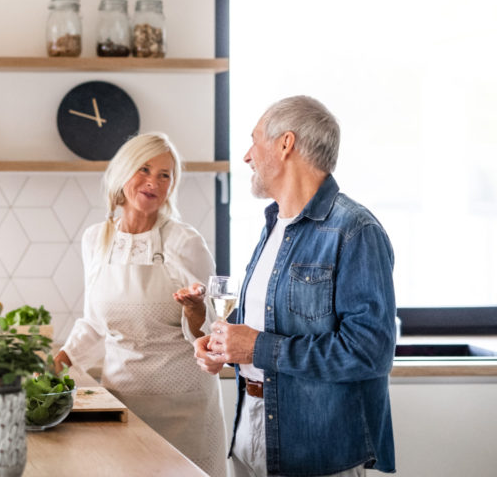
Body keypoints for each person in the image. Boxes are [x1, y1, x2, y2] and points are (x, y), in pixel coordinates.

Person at [195, 95, 396, 477]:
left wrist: (256, 346)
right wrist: (224, 346)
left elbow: (371, 353)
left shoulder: (354, 230)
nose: (247, 156)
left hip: (317, 448)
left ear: (286, 144)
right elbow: (271, 321)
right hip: (249, 434)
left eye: (254, 140)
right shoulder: (273, 225)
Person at [54, 132, 227, 477]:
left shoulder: (185, 241)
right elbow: (94, 322)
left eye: (165, 175)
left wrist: (195, 312)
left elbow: (211, 330)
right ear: (124, 172)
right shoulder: (96, 239)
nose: (154, 182)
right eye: (145, 169)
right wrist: (62, 359)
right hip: (123, 402)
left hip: (185, 408)